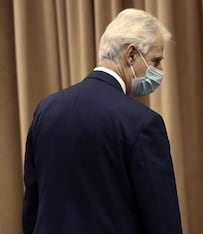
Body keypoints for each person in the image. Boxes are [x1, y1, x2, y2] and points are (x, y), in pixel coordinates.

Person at [22, 8, 182, 234]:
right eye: (156, 61)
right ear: (131, 55)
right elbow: (162, 220)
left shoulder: (46, 110)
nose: (159, 71)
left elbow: (32, 206)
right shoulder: (143, 123)